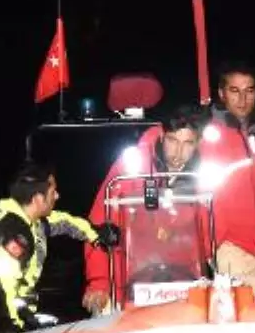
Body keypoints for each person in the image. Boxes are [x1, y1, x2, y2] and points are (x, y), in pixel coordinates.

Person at [0, 162, 120, 333]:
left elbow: (64, 222)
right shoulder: (14, 234)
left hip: (18, 312)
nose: (57, 195)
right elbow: (1, 284)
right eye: (52, 191)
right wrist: (13, 328)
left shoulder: (31, 221)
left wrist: (97, 234)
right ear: (38, 198)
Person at [82, 104, 208, 315]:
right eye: (172, 141)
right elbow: (100, 227)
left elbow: (211, 235)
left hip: (181, 282)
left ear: (198, 143)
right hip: (127, 278)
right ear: (161, 134)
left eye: (188, 144)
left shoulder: (203, 176)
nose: (178, 153)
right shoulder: (131, 168)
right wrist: (100, 282)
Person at [200, 61, 255, 298]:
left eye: (249, 91)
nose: (242, 99)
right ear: (221, 93)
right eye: (234, 90)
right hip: (230, 248)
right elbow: (203, 194)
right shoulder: (209, 134)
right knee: (237, 324)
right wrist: (211, 245)